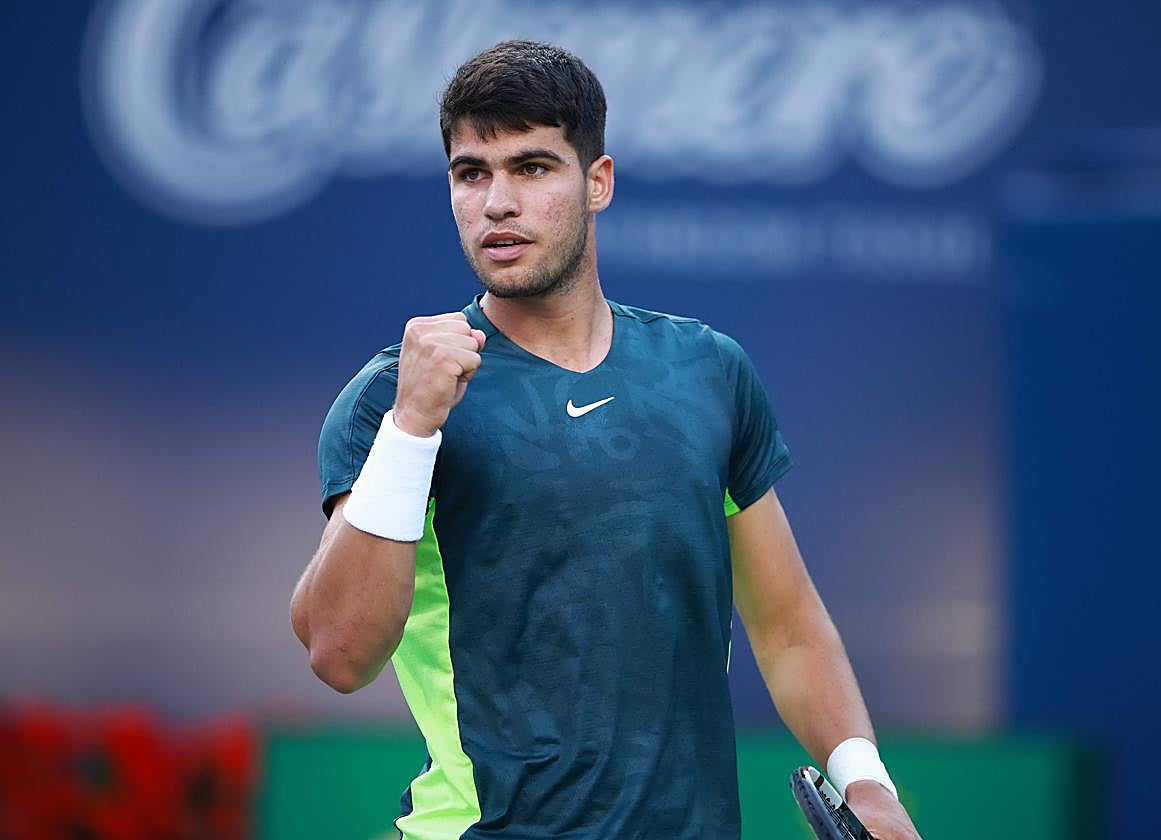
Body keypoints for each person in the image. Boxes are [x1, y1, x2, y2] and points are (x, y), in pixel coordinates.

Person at [290, 39, 921, 840]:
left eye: (532, 167)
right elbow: (339, 656)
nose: (496, 203)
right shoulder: (394, 396)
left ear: (598, 184)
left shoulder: (706, 371)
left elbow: (787, 622)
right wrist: (413, 427)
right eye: (470, 172)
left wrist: (866, 783)